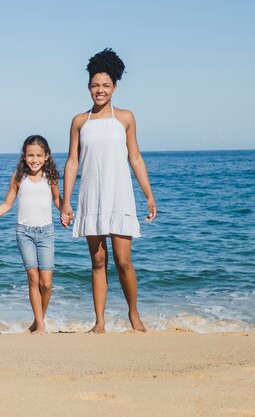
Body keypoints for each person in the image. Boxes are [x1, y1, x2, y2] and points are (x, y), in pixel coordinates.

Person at [60, 48, 157, 333]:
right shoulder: (80, 121)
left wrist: (148, 195)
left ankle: (134, 315)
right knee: (98, 260)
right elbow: (72, 162)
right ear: (88, 87)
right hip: (91, 195)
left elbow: (135, 157)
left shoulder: (125, 117)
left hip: (120, 195)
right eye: (94, 85)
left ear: (115, 87)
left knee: (123, 260)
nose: (99, 90)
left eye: (105, 85)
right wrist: (66, 201)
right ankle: (99, 322)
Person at [0, 135, 61, 334]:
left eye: (39, 155)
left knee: (46, 283)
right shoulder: (18, 177)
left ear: (46, 156)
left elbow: (57, 200)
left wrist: (66, 211)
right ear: (24, 156)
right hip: (25, 233)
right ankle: (41, 325)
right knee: (33, 278)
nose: (34, 159)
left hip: (46, 233)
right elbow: (7, 204)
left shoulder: (51, 178)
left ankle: (38, 321)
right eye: (30, 155)